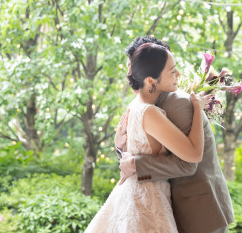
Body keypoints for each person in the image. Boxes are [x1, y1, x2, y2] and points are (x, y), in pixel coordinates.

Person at [85, 42, 212, 233]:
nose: (178, 75)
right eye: (172, 71)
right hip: (148, 200)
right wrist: (196, 107)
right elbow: (194, 154)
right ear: (151, 81)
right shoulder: (150, 112)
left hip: (134, 193)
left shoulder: (134, 104)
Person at [115, 36, 234, 233]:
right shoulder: (145, 102)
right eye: (131, 65)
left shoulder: (176, 102)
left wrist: (136, 165)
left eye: (133, 65)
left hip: (197, 210)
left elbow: (189, 162)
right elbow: (141, 143)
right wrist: (120, 148)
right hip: (159, 204)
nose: (131, 73)